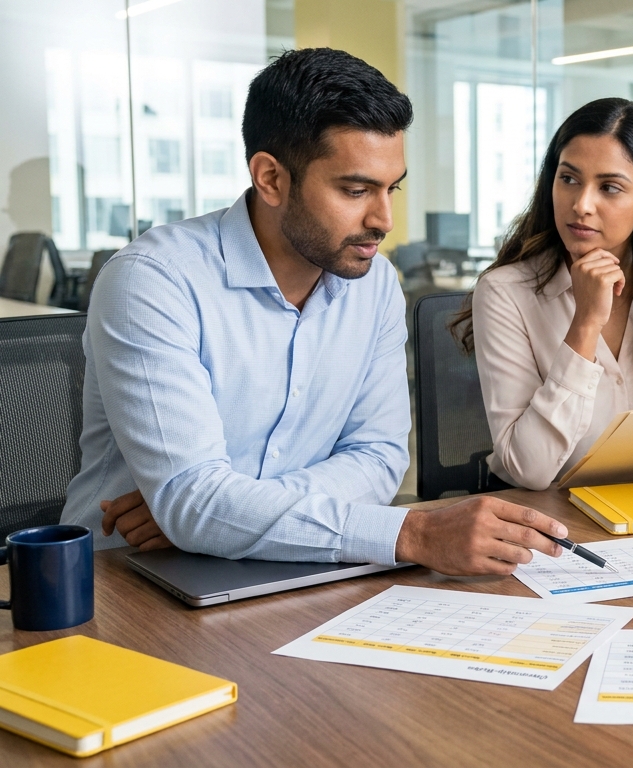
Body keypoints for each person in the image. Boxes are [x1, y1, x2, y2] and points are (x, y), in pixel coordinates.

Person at [61, 48, 568, 575]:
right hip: (123, 579)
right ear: (271, 179)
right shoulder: (153, 281)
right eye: (356, 190)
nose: (384, 218)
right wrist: (409, 532)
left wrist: (225, 515)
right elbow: (196, 503)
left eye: (391, 188)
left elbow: (378, 456)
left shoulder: (374, 287)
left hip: (297, 568)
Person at [452, 97, 633, 491]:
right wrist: (586, 323)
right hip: (559, 522)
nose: (581, 205)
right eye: (569, 179)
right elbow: (527, 469)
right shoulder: (506, 292)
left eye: (609, 187)